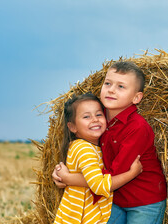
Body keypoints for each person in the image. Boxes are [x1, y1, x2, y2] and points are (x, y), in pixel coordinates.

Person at [53, 61, 167, 224]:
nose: (111, 89)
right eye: (108, 83)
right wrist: (61, 168)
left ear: (136, 97)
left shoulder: (137, 128)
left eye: (121, 87)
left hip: (144, 201)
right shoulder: (97, 118)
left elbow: (111, 176)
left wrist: (69, 179)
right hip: (114, 199)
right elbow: (84, 152)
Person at [54, 93, 143, 224]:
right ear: (72, 127)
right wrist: (132, 173)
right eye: (86, 116)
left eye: (99, 114)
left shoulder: (93, 146)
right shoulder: (84, 149)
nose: (95, 119)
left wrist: (68, 178)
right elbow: (99, 185)